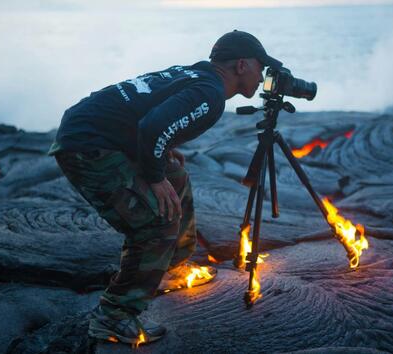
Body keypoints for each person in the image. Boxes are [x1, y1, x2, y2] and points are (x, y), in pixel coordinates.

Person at [48, 30, 282, 345]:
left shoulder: (195, 73)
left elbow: (149, 112)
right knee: (156, 223)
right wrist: (154, 177)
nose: (263, 74)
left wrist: (162, 152)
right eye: (260, 66)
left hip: (94, 130)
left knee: (177, 177)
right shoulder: (210, 94)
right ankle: (113, 317)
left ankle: (169, 266)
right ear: (241, 65)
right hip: (88, 146)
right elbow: (152, 125)